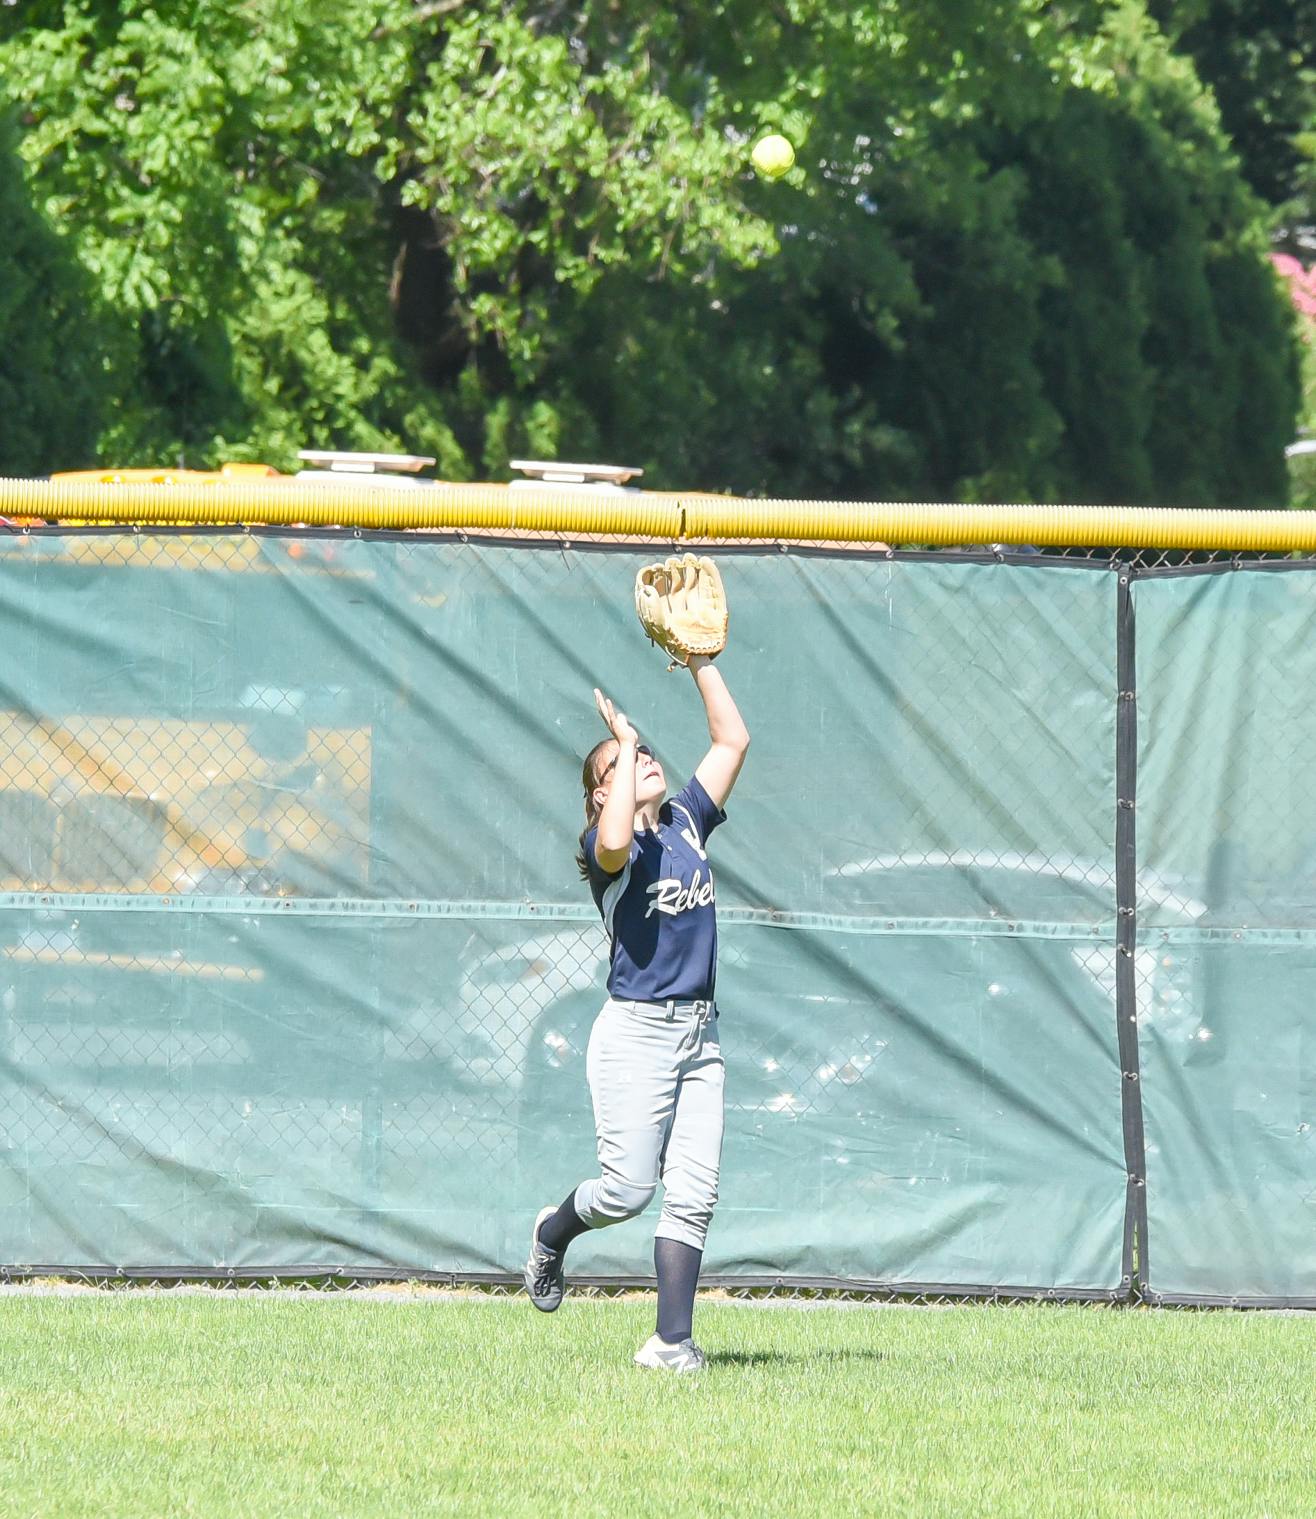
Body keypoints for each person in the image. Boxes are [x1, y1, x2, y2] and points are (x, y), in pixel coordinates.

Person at [522, 656, 750, 1372]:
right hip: (636, 1036)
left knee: (695, 1192)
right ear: (602, 792)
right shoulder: (604, 851)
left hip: (700, 1034)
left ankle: (671, 1344)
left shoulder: (685, 823)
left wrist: (701, 662)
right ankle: (552, 1234)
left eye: (645, 750)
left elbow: (733, 740)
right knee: (626, 1191)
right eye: (623, 761)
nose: (643, 756)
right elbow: (616, 837)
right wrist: (619, 744)